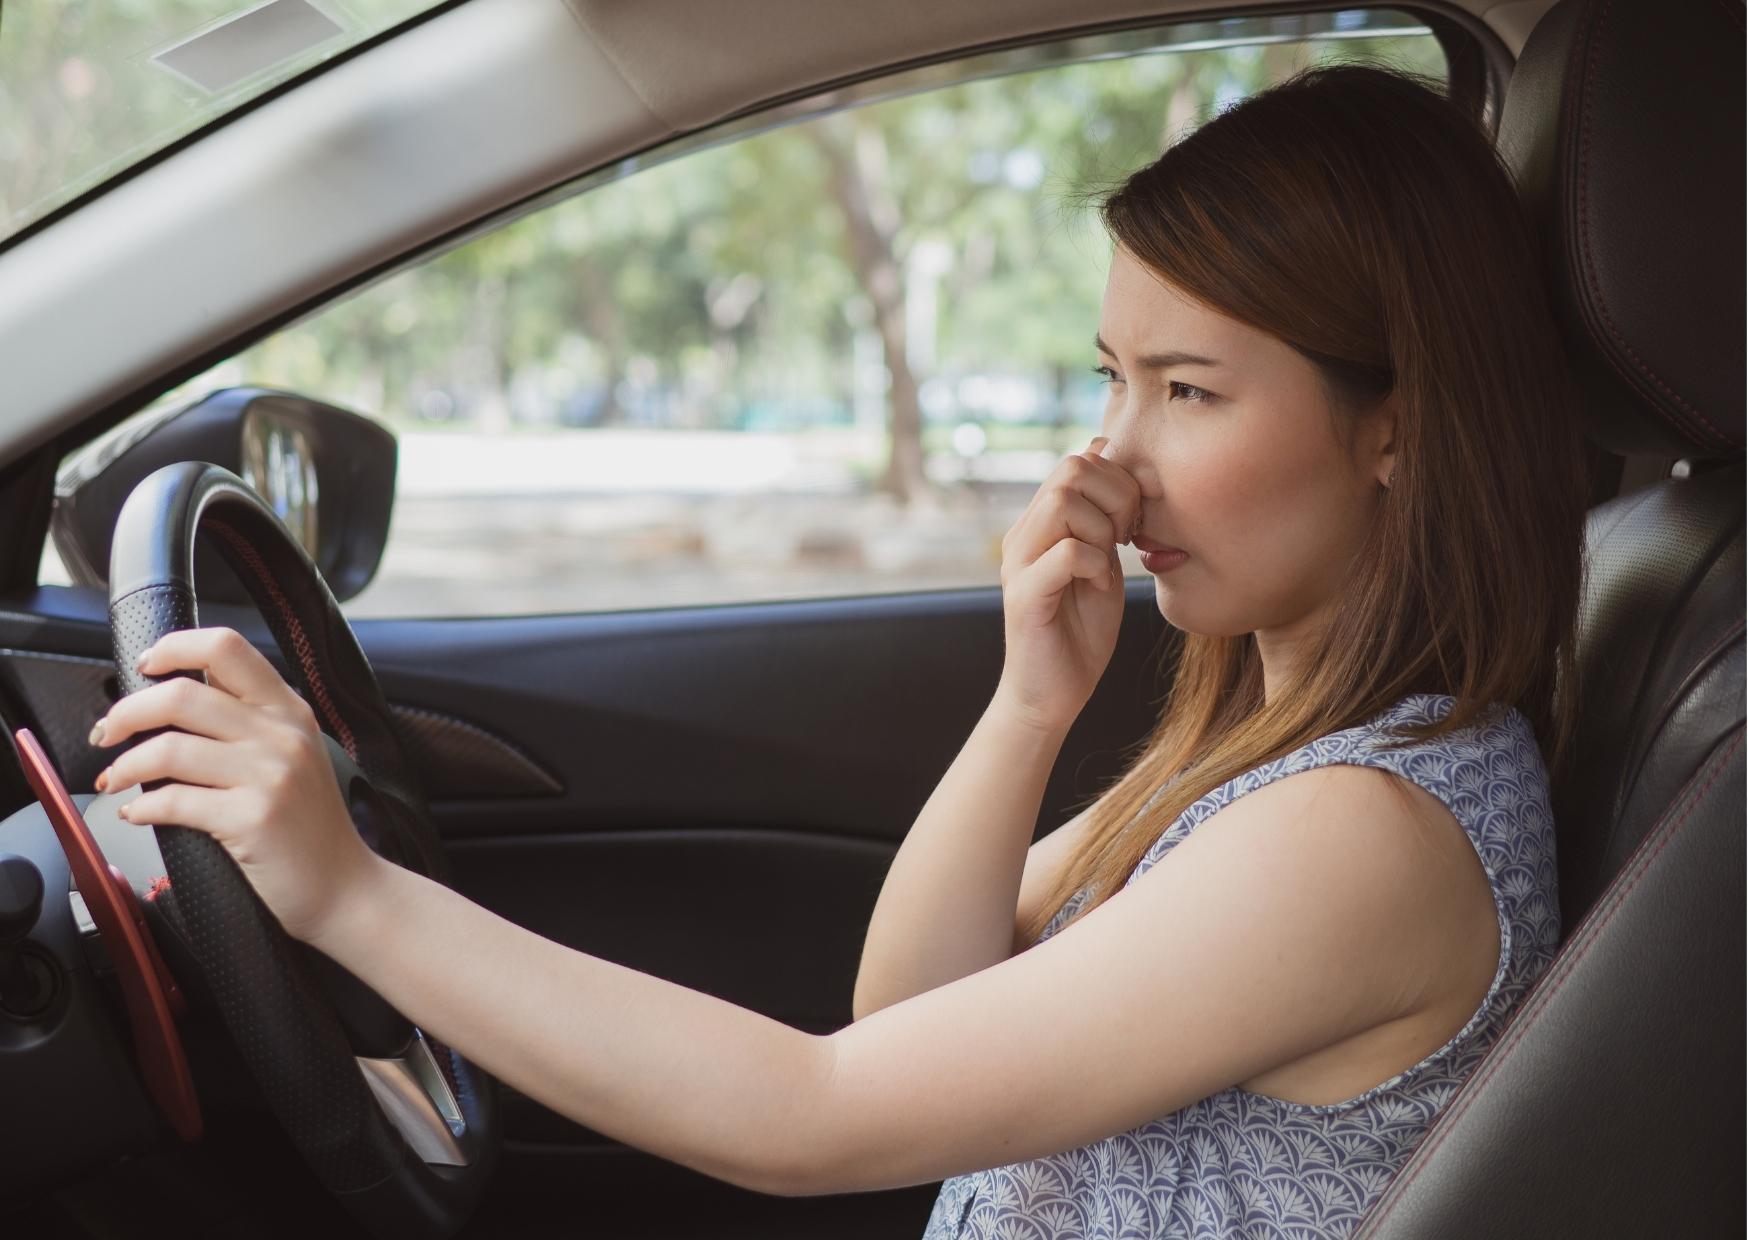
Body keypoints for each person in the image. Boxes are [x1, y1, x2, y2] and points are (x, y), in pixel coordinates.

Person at [83, 61, 1586, 1238]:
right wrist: (1026, 707)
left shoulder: (1364, 833)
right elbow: (911, 1015)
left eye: (1188, 392)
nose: (1109, 460)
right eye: (1111, 379)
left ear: (1393, 424)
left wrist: (350, 891)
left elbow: (813, 1112)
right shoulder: (1271, 756)